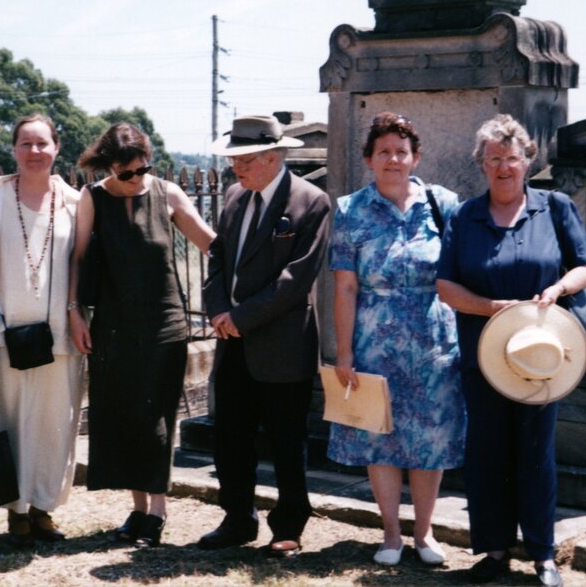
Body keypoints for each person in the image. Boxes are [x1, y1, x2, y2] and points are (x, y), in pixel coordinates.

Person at [436, 114, 586, 587]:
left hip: (540, 355)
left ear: (528, 160)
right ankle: (494, 551)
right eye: (493, 159)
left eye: (511, 158)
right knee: (486, 453)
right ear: (481, 164)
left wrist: (559, 288)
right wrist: (493, 308)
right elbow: (446, 285)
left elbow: (585, 266)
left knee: (536, 455)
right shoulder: (465, 216)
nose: (503, 167)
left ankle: (543, 555)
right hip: (482, 355)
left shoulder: (555, 207)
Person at [327, 112, 465, 566]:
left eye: (401, 152)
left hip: (434, 342)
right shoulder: (350, 210)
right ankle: (390, 533)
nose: (393, 159)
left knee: (430, 440)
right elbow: (346, 286)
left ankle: (424, 533)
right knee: (379, 437)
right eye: (383, 151)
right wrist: (344, 351)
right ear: (369, 159)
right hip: (375, 342)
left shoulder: (443, 204)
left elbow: (462, 270)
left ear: (416, 157)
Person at [68, 122, 215, 548]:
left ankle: (158, 510)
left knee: (156, 418)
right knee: (123, 415)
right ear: (108, 166)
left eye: (142, 169)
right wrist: (75, 312)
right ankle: (137, 508)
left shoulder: (168, 194)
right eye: (125, 172)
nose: (135, 179)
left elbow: (211, 245)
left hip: (164, 324)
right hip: (113, 324)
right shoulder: (93, 197)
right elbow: (78, 258)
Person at [199, 114, 331, 559]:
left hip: (283, 343)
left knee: (286, 440)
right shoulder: (234, 197)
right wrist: (218, 310)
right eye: (233, 159)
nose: (236, 168)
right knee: (230, 438)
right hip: (232, 339)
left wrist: (240, 317)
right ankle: (237, 519)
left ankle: (289, 526)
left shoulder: (311, 202)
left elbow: (295, 280)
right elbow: (217, 259)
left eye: (245, 159)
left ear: (274, 157)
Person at [0, 114, 83, 547]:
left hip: (59, 336)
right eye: (25, 144)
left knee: (54, 424)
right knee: (10, 423)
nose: (34, 152)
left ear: (57, 148)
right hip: (4, 334)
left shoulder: (76, 202)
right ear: (14, 149)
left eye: (42, 144)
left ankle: (42, 509)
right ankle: (15, 511)